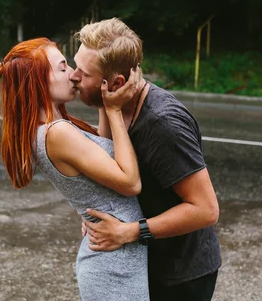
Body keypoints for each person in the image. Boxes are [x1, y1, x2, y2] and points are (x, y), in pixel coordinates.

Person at [70, 18, 221, 301]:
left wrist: (127, 231)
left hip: (181, 276)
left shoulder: (163, 125)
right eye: (74, 64)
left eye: (84, 73)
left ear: (116, 81)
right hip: (149, 262)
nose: (73, 76)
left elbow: (206, 209)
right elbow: (110, 164)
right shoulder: (116, 101)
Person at [0, 37, 150, 301]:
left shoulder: (51, 128)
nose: (73, 76)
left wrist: (102, 99)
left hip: (115, 256)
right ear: (39, 81)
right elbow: (130, 182)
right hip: (112, 266)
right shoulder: (57, 133)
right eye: (63, 68)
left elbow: (104, 152)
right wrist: (114, 110)